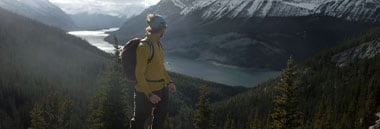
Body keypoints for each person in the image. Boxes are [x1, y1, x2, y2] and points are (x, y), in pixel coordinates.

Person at [130, 13, 176, 129]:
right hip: (145, 92)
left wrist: (169, 82)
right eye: (164, 28)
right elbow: (139, 73)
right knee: (139, 122)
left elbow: (161, 67)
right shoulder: (144, 46)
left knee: (159, 120)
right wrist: (149, 94)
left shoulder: (158, 44)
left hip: (161, 89)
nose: (164, 31)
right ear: (161, 29)